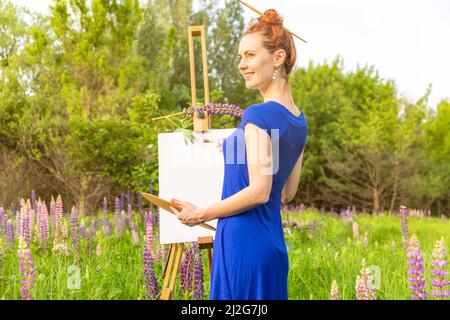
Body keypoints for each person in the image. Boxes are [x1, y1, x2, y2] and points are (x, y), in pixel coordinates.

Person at [169, 9, 308, 300]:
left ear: (278, 58)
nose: (241, 65)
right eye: (240, 57)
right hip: (271, 248)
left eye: (249, 55)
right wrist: (237, 147)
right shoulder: (299, 121)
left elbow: (259, 191)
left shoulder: (257, 115)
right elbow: (285, 193)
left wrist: (201, 214)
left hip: (242, 245)